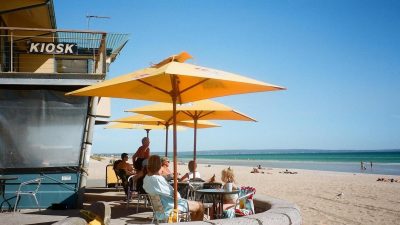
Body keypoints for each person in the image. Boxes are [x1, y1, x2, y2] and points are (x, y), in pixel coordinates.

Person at [143, 155, 204, 221]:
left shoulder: (146, 178)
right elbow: (176, 196)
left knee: (194, 206)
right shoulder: (158, 179)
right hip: (170, 207)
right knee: (200, 206)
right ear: (158, 166)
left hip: (159, 210)